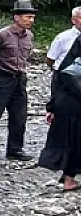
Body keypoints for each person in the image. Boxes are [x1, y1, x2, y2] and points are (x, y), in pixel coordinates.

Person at [0, 0, 36, 163]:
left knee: (19, 116)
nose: (31, 20)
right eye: (28, 17)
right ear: (16, 17)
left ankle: (15, 149)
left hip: (19, 78)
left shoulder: (29, 36)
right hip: (1, 77)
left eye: (32, 17)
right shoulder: (1, 35)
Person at [39, 37, 81, 192]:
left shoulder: (71, 62)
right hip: (76, 104)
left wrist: (52, 107)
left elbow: (59, 80)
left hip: (65, 102)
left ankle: (68, 176)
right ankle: (69, 179)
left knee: (70, 139)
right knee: (76, 140)